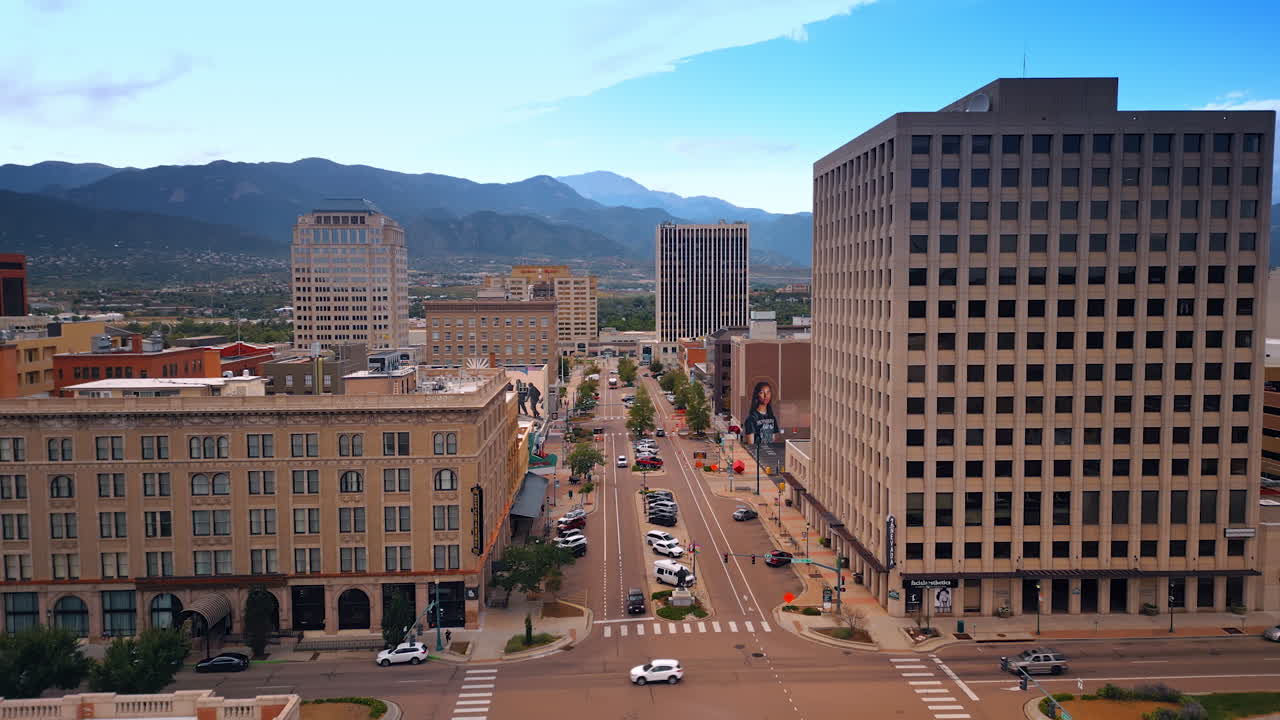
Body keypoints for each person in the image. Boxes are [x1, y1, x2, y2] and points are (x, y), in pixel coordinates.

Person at [743, 380, 779, 446]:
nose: (766, 396)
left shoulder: (772, 417)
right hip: (759, 453)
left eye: (768, 392)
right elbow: (751, 445)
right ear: (757, 395)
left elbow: (775, 440)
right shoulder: (751, 419)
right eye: (762, 392)